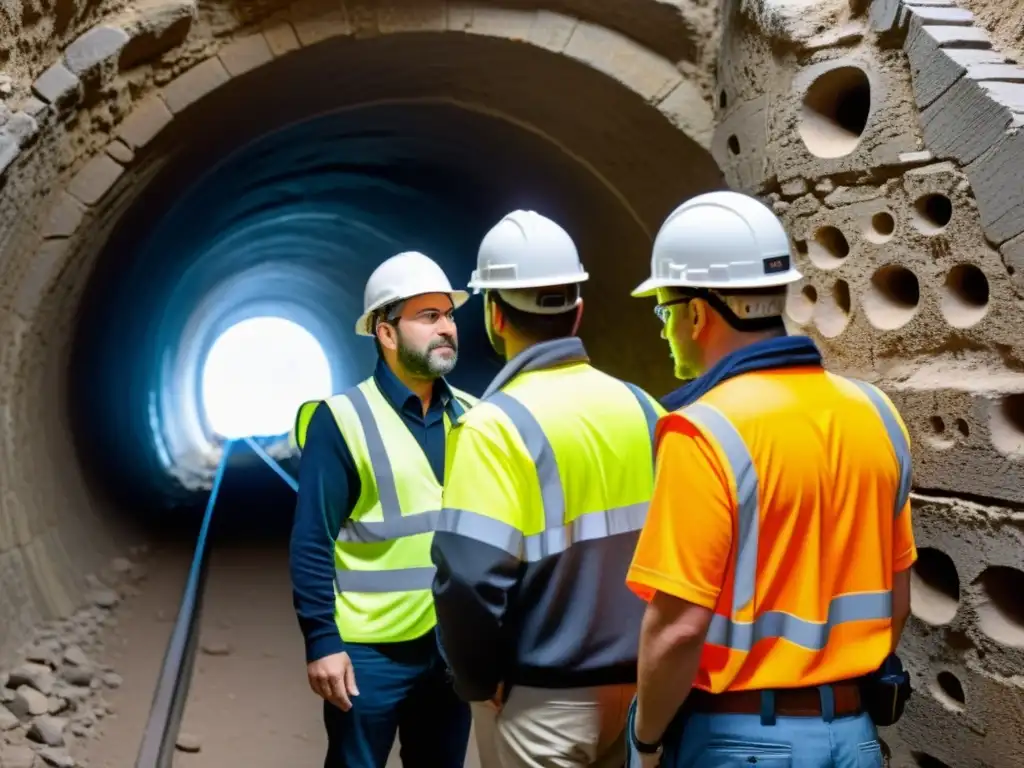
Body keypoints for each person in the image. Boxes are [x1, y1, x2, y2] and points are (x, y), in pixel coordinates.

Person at [622, 191, 916, 767]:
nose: (665, 330)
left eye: (664, 311)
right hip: (855, 738)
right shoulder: (877, 413)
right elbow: (898, 597)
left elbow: (677, 631)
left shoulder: (703, 432)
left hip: (742, 743)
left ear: (697, 314)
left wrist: (645, 741)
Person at [429, 210, 666, 768]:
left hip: (543, 700)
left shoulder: (493, 427)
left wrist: (475, 678)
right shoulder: (646, 408)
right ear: (578, 309)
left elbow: (467, 578)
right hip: (645, 691)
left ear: (493, 315)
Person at [288, 251, 476, 768]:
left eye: (450, 315)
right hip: (369, 654)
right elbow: (311, 540)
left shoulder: (475, 416)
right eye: (429, 316)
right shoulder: (341, 420)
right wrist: (322, 640)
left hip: (450, 646)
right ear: (386, 333)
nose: (447, 329)